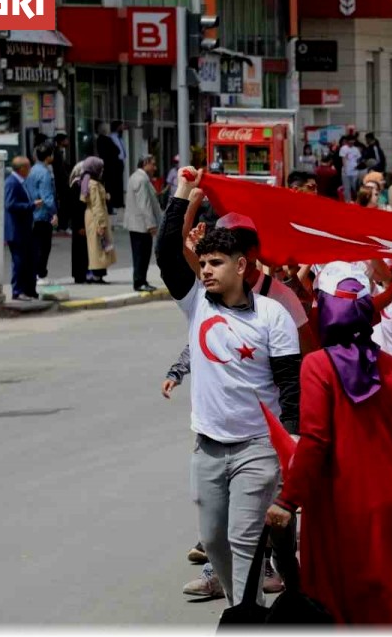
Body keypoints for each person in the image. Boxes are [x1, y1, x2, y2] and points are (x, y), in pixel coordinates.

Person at [156, 167, 302, 610]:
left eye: (215, 263)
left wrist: (292, 448)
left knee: (242, 539)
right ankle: (249, 607)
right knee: (215, 541)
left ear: (241, 266)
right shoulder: (197, 303)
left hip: (258, 448)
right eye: (202, 264)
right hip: (208, 447)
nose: (206, 272)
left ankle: (245, 617)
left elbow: (291, 389)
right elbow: (166, 254)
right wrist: (183, 193)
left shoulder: (273, 316)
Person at [264, 267, 392, 622]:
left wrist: (288, 499)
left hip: (343, 504)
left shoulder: (317, 366)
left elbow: (315, 442)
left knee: (342, 602)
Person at [124, 155, 162, 293]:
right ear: (145, 163)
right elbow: (144, 204)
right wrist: (151, 224)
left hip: (138, 225)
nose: (155, 168)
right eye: (153, 164)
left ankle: (141, 280)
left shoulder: (137, 177)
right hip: (141, 226)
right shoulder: (141, 179)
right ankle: (140, 282)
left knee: (141, 254)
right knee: (141, 255)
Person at [4, 156, 39, 300]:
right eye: (29, 167)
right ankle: (17, 291)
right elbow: (10, 204)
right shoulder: (12, 183)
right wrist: (31, 206)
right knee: (19, 262)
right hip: (16, 231)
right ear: (22, 168)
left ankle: (28, 289)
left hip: (24, 230)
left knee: (28, 260)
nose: (30, 170)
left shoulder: (20, 182)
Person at [78, 156, 117, 284]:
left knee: (97, 245)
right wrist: (101, 224)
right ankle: (97, 275)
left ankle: (98, 274)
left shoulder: (88, 181)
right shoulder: (93, 184)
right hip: (96, 216)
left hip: (90, 215)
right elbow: (97, 205)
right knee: (98, 246)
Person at [25, 142, 58, 284]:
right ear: (48, 156)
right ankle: (41, 274)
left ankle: (35, 274)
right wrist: (55, 213)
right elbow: (47, 197)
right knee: (44, 247)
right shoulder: (45, 173)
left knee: (35, 246)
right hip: (43, 215)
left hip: (31, 214)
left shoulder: (31, 170)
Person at [52, 133, 72, 232]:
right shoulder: (57, 153)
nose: (67, 142)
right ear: (61, 141)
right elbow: (59, 170)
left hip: (62, 182)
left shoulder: (61, 151)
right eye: (66, 140)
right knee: (64, 204)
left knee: (64, 204)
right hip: (61, 183)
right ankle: (62, 225)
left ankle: (62, 225)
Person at [338, 136, 361, 200]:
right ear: (347, 141)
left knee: (355, 187)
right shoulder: (343, 148)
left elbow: (358, 159)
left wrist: (358, 166)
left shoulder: (356, 149)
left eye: (352, 142)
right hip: (346, 172)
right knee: (346, 188)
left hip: (354, 172)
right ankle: (348, 202)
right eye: (350, 142)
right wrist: (345, 169)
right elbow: (343, 159)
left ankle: (357, 200)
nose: (351, 143)